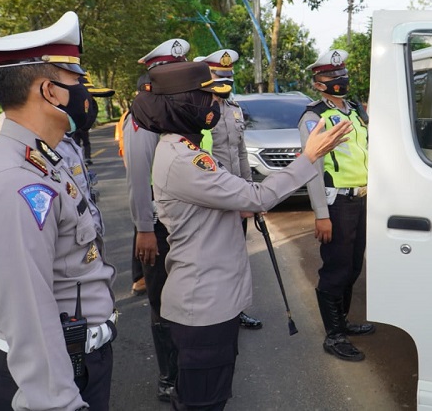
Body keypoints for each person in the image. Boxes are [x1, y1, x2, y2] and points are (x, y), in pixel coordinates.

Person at [130, 60, 352, 410]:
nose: (213, 103)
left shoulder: (184, 148)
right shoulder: (182, 158)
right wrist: (309, 156)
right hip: (203, 307)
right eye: (205, 97)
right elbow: (258, 196)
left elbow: (235, 192)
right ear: (183, 104)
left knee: (208, 396)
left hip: (210, 302)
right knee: (202, 401)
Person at [0, 11, 117, 411]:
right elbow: (30, 320)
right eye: (76, 80)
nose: (84, 92)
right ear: (50, 91)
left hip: (78, 358)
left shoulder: (45, 158)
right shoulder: (14, 183)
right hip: (54, 374)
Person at [298, 49, 376, 363]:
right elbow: (312, 168)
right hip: (337, 203)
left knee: (354, 266)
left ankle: (342, 322)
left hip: (363, 198)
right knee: (336, 270)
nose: (338, 80)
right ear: (317, 83)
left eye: (341, 73)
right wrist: (321, 214)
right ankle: (334, 335)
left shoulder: (357, 111)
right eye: (330, 76)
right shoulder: (313, 117)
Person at [123, 37, 190, 401]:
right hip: (160, 225)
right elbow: (137, 177)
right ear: (156, 73)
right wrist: (145, 230)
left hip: (190, 221)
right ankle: (169, 375)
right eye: (173, 69)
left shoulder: (188, 109)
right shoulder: (143, 115)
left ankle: (190, 365)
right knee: (162, 300)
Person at [194, 48, 263, 330]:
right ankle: (212, 311)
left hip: (236, 194)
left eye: (228, 78)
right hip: (211, 198)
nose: (224, 84)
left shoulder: (234, 110)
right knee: (212, 257)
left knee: (236, 256)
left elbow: (241, 153)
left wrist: (250, 192)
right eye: (218, 78)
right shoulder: (197, 111)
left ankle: (235, 310)